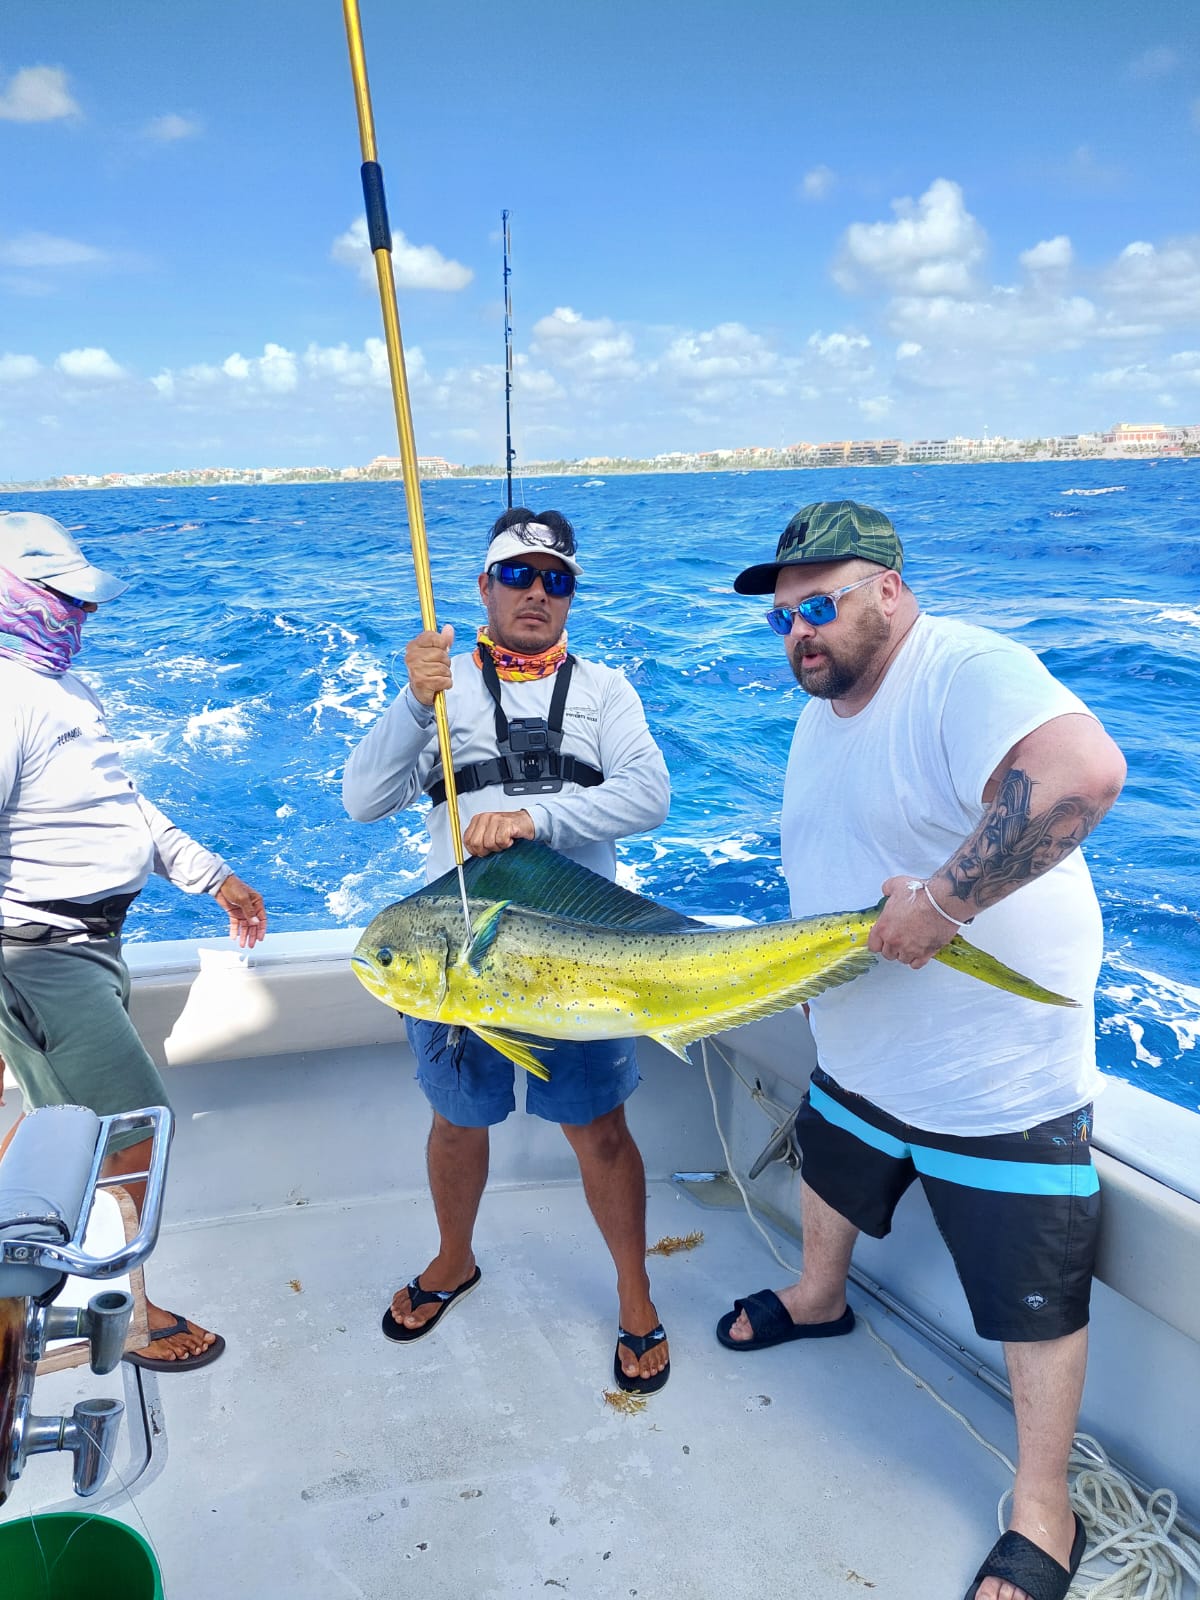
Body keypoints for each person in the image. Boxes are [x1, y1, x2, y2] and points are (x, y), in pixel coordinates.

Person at [719, 501, 1126, 1600]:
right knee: (829, 1167)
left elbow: (1082, 768)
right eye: (782, 617)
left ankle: (1045, 1510)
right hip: (857, 1053)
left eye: (822, 602)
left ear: (890, 590)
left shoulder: (962, 668)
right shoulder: (825, 709)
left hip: (997, 1082)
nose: (800, 630)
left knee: (1032, 1296)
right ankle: (817, 1297)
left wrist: (945, 903)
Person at [342, 507, 673, 1392]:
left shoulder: (605, 692)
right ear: (484, 588)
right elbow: (363, 799)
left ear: (572, 596)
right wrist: (414, 700)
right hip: (459, 956)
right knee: (458, 1119)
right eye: (518, 576)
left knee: (598, 1128)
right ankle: (454, 1260)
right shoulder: (441, 690)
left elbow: (650, 796)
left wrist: (538, 816)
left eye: (555, 579)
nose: (537, 593)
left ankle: (635, 1296)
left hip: (582, 958)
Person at [0, 511, 267, 1370]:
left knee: (56, 1127)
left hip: (91, 952)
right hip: (43, 959)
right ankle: (124, 1320)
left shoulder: (63, 691)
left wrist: (211, 874)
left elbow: (124, 808)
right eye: (60, 599)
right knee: (128, 1137)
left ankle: (36, 1310)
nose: (80, 616)